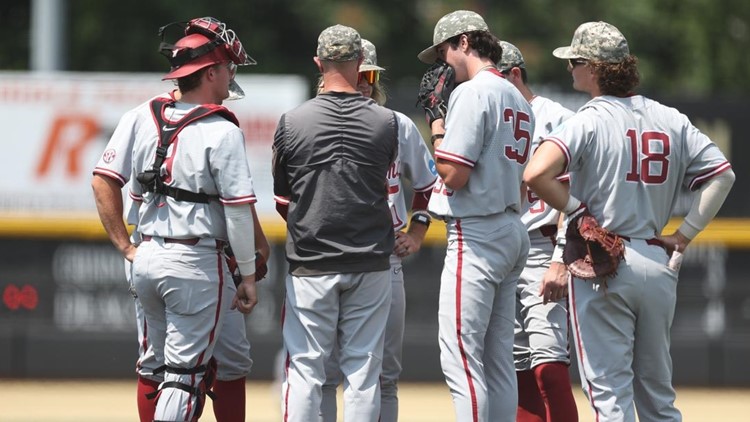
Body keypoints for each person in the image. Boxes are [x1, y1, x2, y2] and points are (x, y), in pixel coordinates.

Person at [524, 21, 735, 422]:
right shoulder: (669, 117)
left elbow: (535, 174)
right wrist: (686, 234)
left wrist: (577, 209)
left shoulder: (588, 118)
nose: (571, 69)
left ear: (594, 66)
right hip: (657, 259)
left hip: (605, 262)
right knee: (658, 397)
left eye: (576, 61)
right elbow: (723, 175)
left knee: (609, 396)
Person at [94, 17, 263, 422]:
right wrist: (250, 272)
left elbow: (103, 180)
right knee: (184, 376)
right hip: (199, 261)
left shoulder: (142, 114)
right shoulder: (221, 130)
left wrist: (126, 247)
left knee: (166, 364)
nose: (230, 77)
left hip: (148, 255)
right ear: (209, 72)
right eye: (226, 68)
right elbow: (237, 209)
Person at [272, 25, 399, 422]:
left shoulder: (292, 121)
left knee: (306, 369)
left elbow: (283, 198)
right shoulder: (387, 121)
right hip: (370, 260)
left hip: (312, 259)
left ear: (318, 63)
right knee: (363, 373)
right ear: (361, 63)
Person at [417, 10, 533, 422]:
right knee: (498, 359)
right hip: (510, 226)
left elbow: (453, 174)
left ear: (465, 42)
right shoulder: (519, 98)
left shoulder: (473, 92)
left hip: (477, 233)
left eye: (446, 49)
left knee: (462, 359)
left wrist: (436, 123)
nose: (444, 61)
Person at [319, 39, 437, 422]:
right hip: (325, 256)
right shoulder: (312, 119)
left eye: (371, 75)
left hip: (385, 259)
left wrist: (418, 231)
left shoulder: (396, 125)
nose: (366, 82)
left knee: (384, 374)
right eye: (360, 73)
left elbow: (428, 183)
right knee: (324, 372)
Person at [497, 41, 579, 422]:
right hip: (500, 244)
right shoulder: (488, 116)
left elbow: (575, 194)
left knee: (548, 361)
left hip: (542, 245)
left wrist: (561, 257)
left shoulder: (558, 116)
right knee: (515, 366)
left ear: (515, 74)